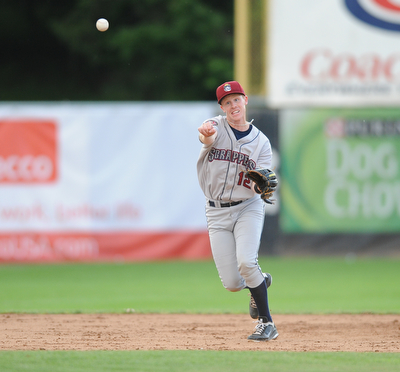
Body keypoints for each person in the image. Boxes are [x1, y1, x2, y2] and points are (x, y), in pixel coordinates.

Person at [196, 81, 278, 341]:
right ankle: (260, 283)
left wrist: (260, 184)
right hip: (216, 211)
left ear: (245, 101)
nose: (233, 105)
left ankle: (267, 323)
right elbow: (205, 137)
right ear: (222, 107)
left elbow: (258, 187)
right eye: (227, 102)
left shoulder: (261, 143)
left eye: (237, 99)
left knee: (246, 261)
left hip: (247, 208)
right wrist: (205, 133)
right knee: (232, 283)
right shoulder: (216, 127)